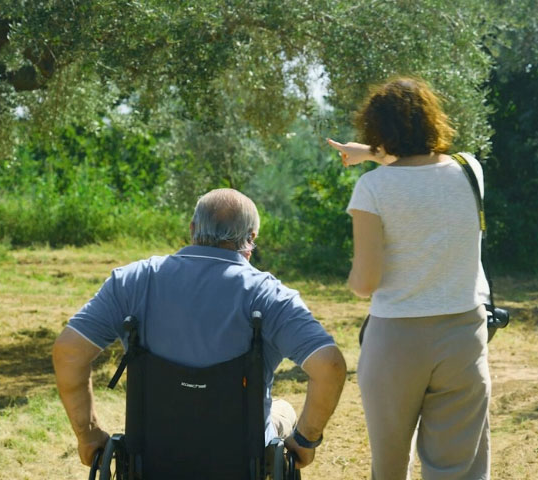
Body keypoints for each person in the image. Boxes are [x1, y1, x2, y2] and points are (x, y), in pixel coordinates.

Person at [52, 188, 347, 471]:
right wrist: (306, 440)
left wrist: (88, 434)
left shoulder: (133, 281)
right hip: (241, 459)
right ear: (252, 238)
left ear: (193, 229)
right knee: (283, 410)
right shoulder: (269, 295)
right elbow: (330, 366)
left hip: (153, 456)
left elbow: (68, 352)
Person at [327, 76, 491, 480]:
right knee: (458, 467)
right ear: (433, 120)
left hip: (396, 341)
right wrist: (370, 154)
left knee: (390, 466)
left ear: (376, 129)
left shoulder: (372, 189)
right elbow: (423, 168)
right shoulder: (470, 170)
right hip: (463, 336)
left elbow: (365, 283)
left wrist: (370, 155)